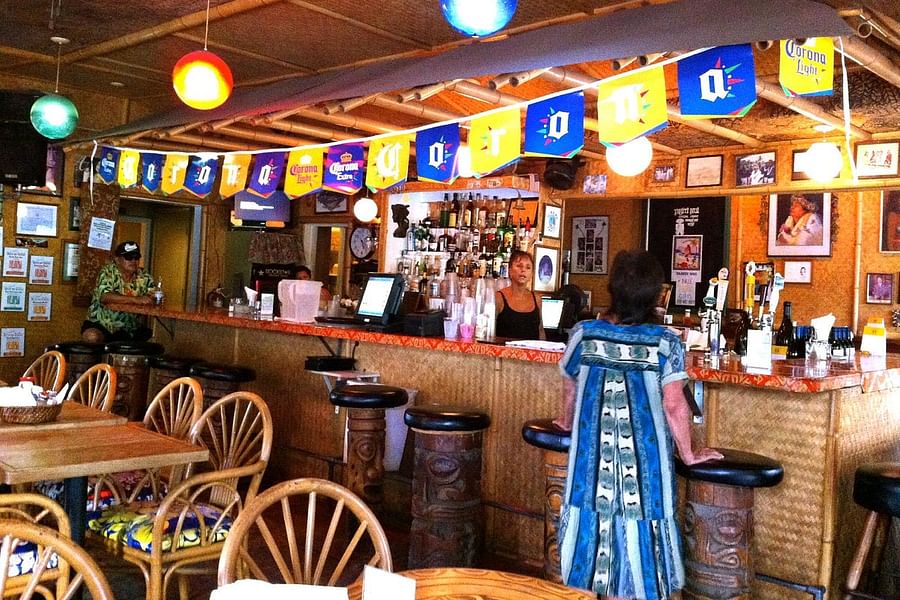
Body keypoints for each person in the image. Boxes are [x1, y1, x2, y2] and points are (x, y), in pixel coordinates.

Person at [553, 250, 722, 600]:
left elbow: (570, 385)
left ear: (613, 288)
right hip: (644, 465)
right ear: (655, 294)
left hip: (589, 459)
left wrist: (567, 422)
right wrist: (689, 454)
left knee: (593, 526)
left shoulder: (584, 333)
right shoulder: (665, 342)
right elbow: (674, 405)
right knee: (640, 531)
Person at [82, 241, 155, 343]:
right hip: (102, 323)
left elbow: (153, 297)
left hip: (131, 327)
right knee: (92, 337)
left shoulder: (145, 276)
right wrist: (136, 300)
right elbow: (105, 296)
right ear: (117, 259)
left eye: (136, 257)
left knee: (152, 343)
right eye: (129, 257)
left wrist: (155, 298)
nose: (133, 261)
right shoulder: (108, 272)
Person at [494, 250, 544, 340]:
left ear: (532, 274)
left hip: (531, 353)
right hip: (504, 352)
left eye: (528, 267)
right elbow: (490, 331)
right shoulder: (499, 298)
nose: (523, 270)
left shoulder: (537, 299)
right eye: (519, 266)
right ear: (510, 270)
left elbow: (540, 330)